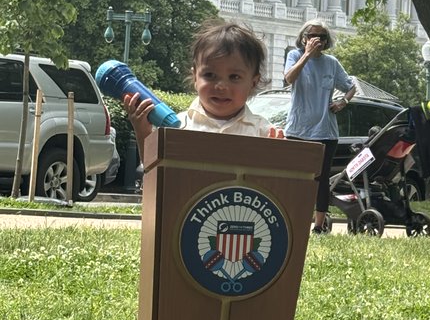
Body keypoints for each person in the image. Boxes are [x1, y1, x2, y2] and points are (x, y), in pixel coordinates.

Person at [124, 20, 280, 159]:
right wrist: (143, 131)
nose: (221, 86)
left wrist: (281, 155)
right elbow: (155, 170)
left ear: (253, 82)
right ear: (195, 78)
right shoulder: (178, 127)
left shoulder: (264, 133)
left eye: (234, 77)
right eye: (210, 75)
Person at [283, 20, 358, 234]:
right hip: (297, 130)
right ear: (304, 38)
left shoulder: (331, 63)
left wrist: (343, 102)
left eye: (323, 37)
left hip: (325, 131)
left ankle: (319, 225)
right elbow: (288, 78)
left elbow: (351, 87)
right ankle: (295, 220)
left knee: (321, 178)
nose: (318, 40)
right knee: (296, 177)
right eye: (314, 35)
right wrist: (306, 55)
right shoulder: (295, 56)